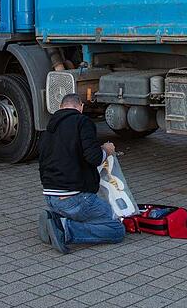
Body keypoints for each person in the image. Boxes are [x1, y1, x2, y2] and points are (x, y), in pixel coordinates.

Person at [37, 93, 125, 254]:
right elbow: (94, 157)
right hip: (75, 198)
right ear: (81, 107)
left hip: (51, 197)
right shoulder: (82, 122)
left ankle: (56, 218)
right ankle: (65, 229)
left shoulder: (48, 129)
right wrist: (106, 150)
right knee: (115, 228)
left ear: (61, 107)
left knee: (90, 214)